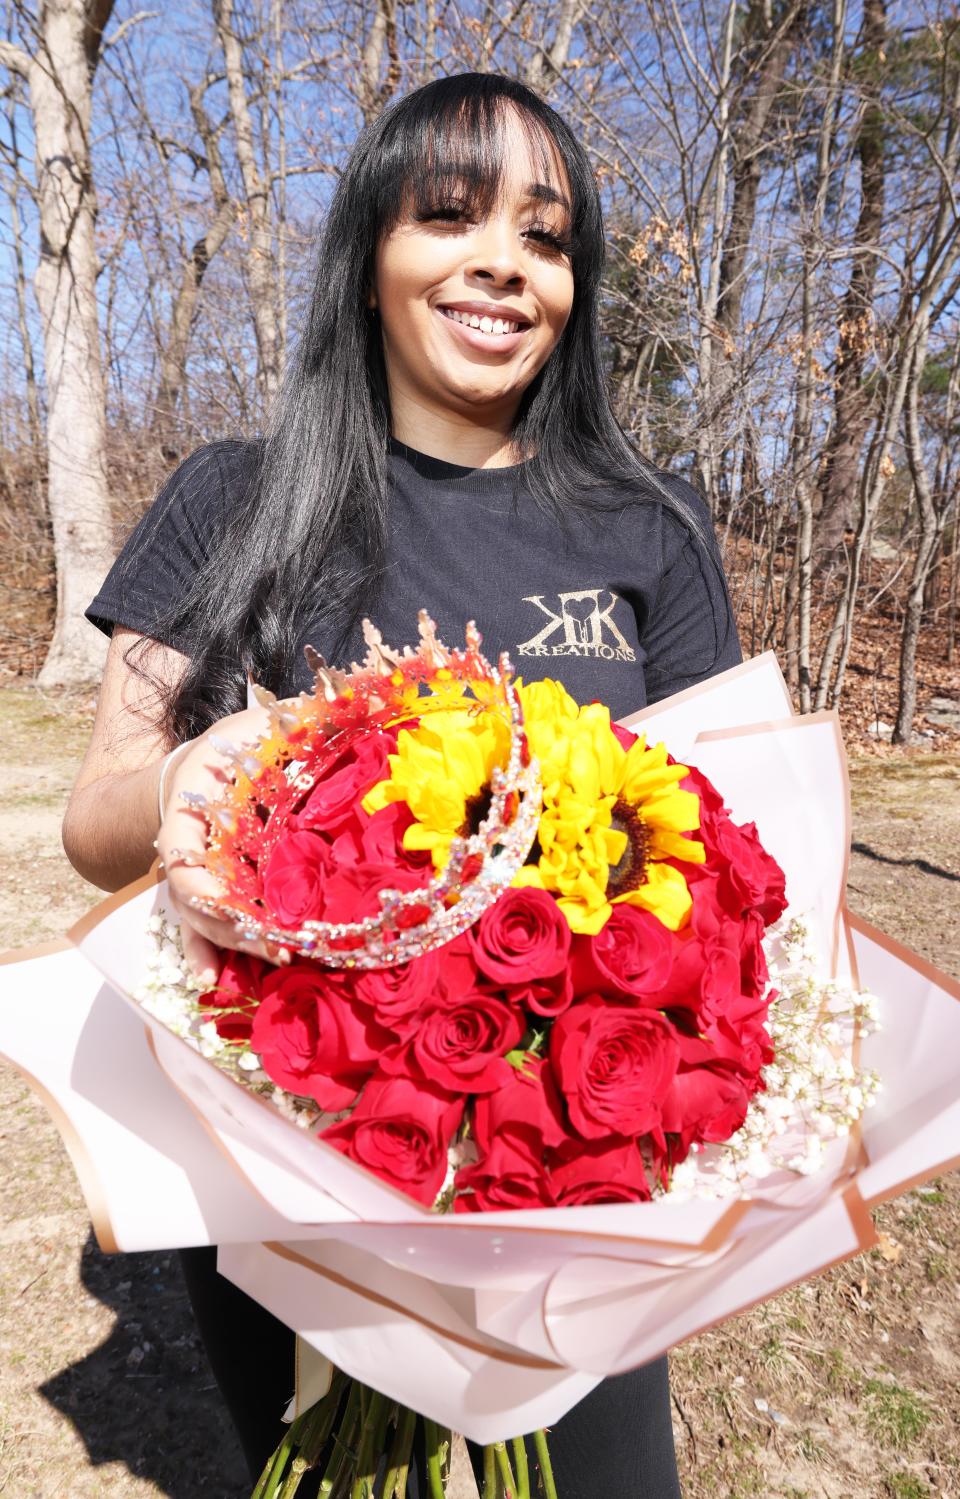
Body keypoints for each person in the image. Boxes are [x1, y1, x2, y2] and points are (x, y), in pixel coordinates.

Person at [63, 71, 740, 1498]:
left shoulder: (653, 529)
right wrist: (199, 769)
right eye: (449, 214)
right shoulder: (232, 500)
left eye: (546, 236)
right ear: (371, 254)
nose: (502, 259)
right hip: (290, 1183)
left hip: (577, 1194)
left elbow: (727, 883)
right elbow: (91, 821)